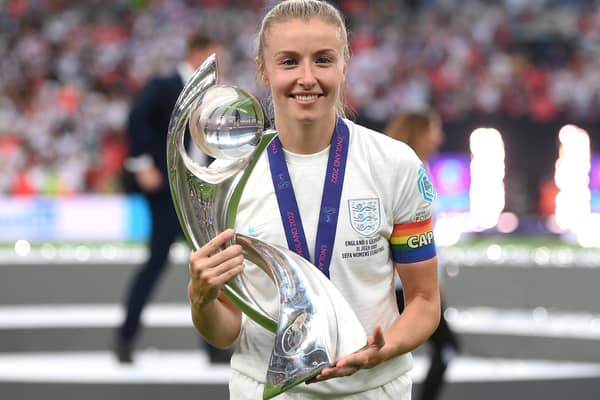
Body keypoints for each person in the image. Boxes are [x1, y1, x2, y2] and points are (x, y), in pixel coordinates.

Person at [187, 1, 440, 398]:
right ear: (262, 70)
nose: (307, 78)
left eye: (323, 60)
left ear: (344, 64)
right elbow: (227, 331)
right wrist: (201, 301)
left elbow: (425, 301)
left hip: (374, 390)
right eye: (289, 62)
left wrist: (382, 349)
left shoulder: (394, 164)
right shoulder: (229, 180)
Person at [115, 32, 230, 364]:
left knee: (207, 267)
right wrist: (142, 164)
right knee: (157, 263)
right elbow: (136, 121)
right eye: (214, 56)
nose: (218, 65)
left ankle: (214, 345)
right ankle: (126, 336)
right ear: (198, 52)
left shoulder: (215, 95)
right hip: (167, 193)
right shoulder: (165, 85)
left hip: (200, 194)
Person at [384, 111, 461, 400]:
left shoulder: (419, 170)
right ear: (418, 133)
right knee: (444, 347)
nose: (438, 137)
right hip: (402, 286)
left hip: (414, 283)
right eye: (434, 129)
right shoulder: (400, 173)